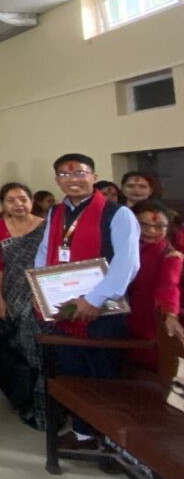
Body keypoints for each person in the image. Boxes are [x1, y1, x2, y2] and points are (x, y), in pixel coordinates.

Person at [34, 153, 140, 450]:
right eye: (65, 175)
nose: (73, 180)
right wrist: (39, 288)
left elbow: (127, 263)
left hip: (103, 311)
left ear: (93, 176)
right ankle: (83, 434)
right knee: (73, 374)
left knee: (102, 376)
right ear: (57, 180)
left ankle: (111, 443)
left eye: (80, 173)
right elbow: (44, 250)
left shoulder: (117, 214)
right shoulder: (56, 213)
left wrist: (95, 299)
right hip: (66, 309)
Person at [0, 182, 47, 428]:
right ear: (3, 204)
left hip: (40, 296)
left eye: (23, 199)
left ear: (32, 201)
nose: (18, 204)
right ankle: (22, 396)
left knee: (40, 349)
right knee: (17, 347)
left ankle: (42, 404)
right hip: (11, 294)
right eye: (11, 200)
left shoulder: (45, 227)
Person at [126, 200, 184, 370]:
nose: (151, 231)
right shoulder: (120, 247)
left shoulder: (170, 255)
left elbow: (168, 285)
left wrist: (170, 313)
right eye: (143, 225)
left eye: (159, 226)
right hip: (118, 316)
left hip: (147, 319)